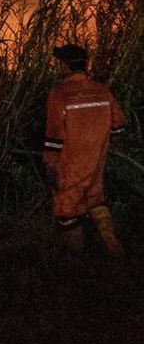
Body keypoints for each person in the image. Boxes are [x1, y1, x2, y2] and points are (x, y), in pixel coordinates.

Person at [44, 44, 127, 257]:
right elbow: (118, 123)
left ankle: (77, 259)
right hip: (96, 159)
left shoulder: (59, 93)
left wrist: (50, 164)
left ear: (64, 65)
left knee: (67, 209)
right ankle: (113, 246)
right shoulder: (102, 90)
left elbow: (54, 135)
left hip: (69, 162)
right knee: (96, 200)